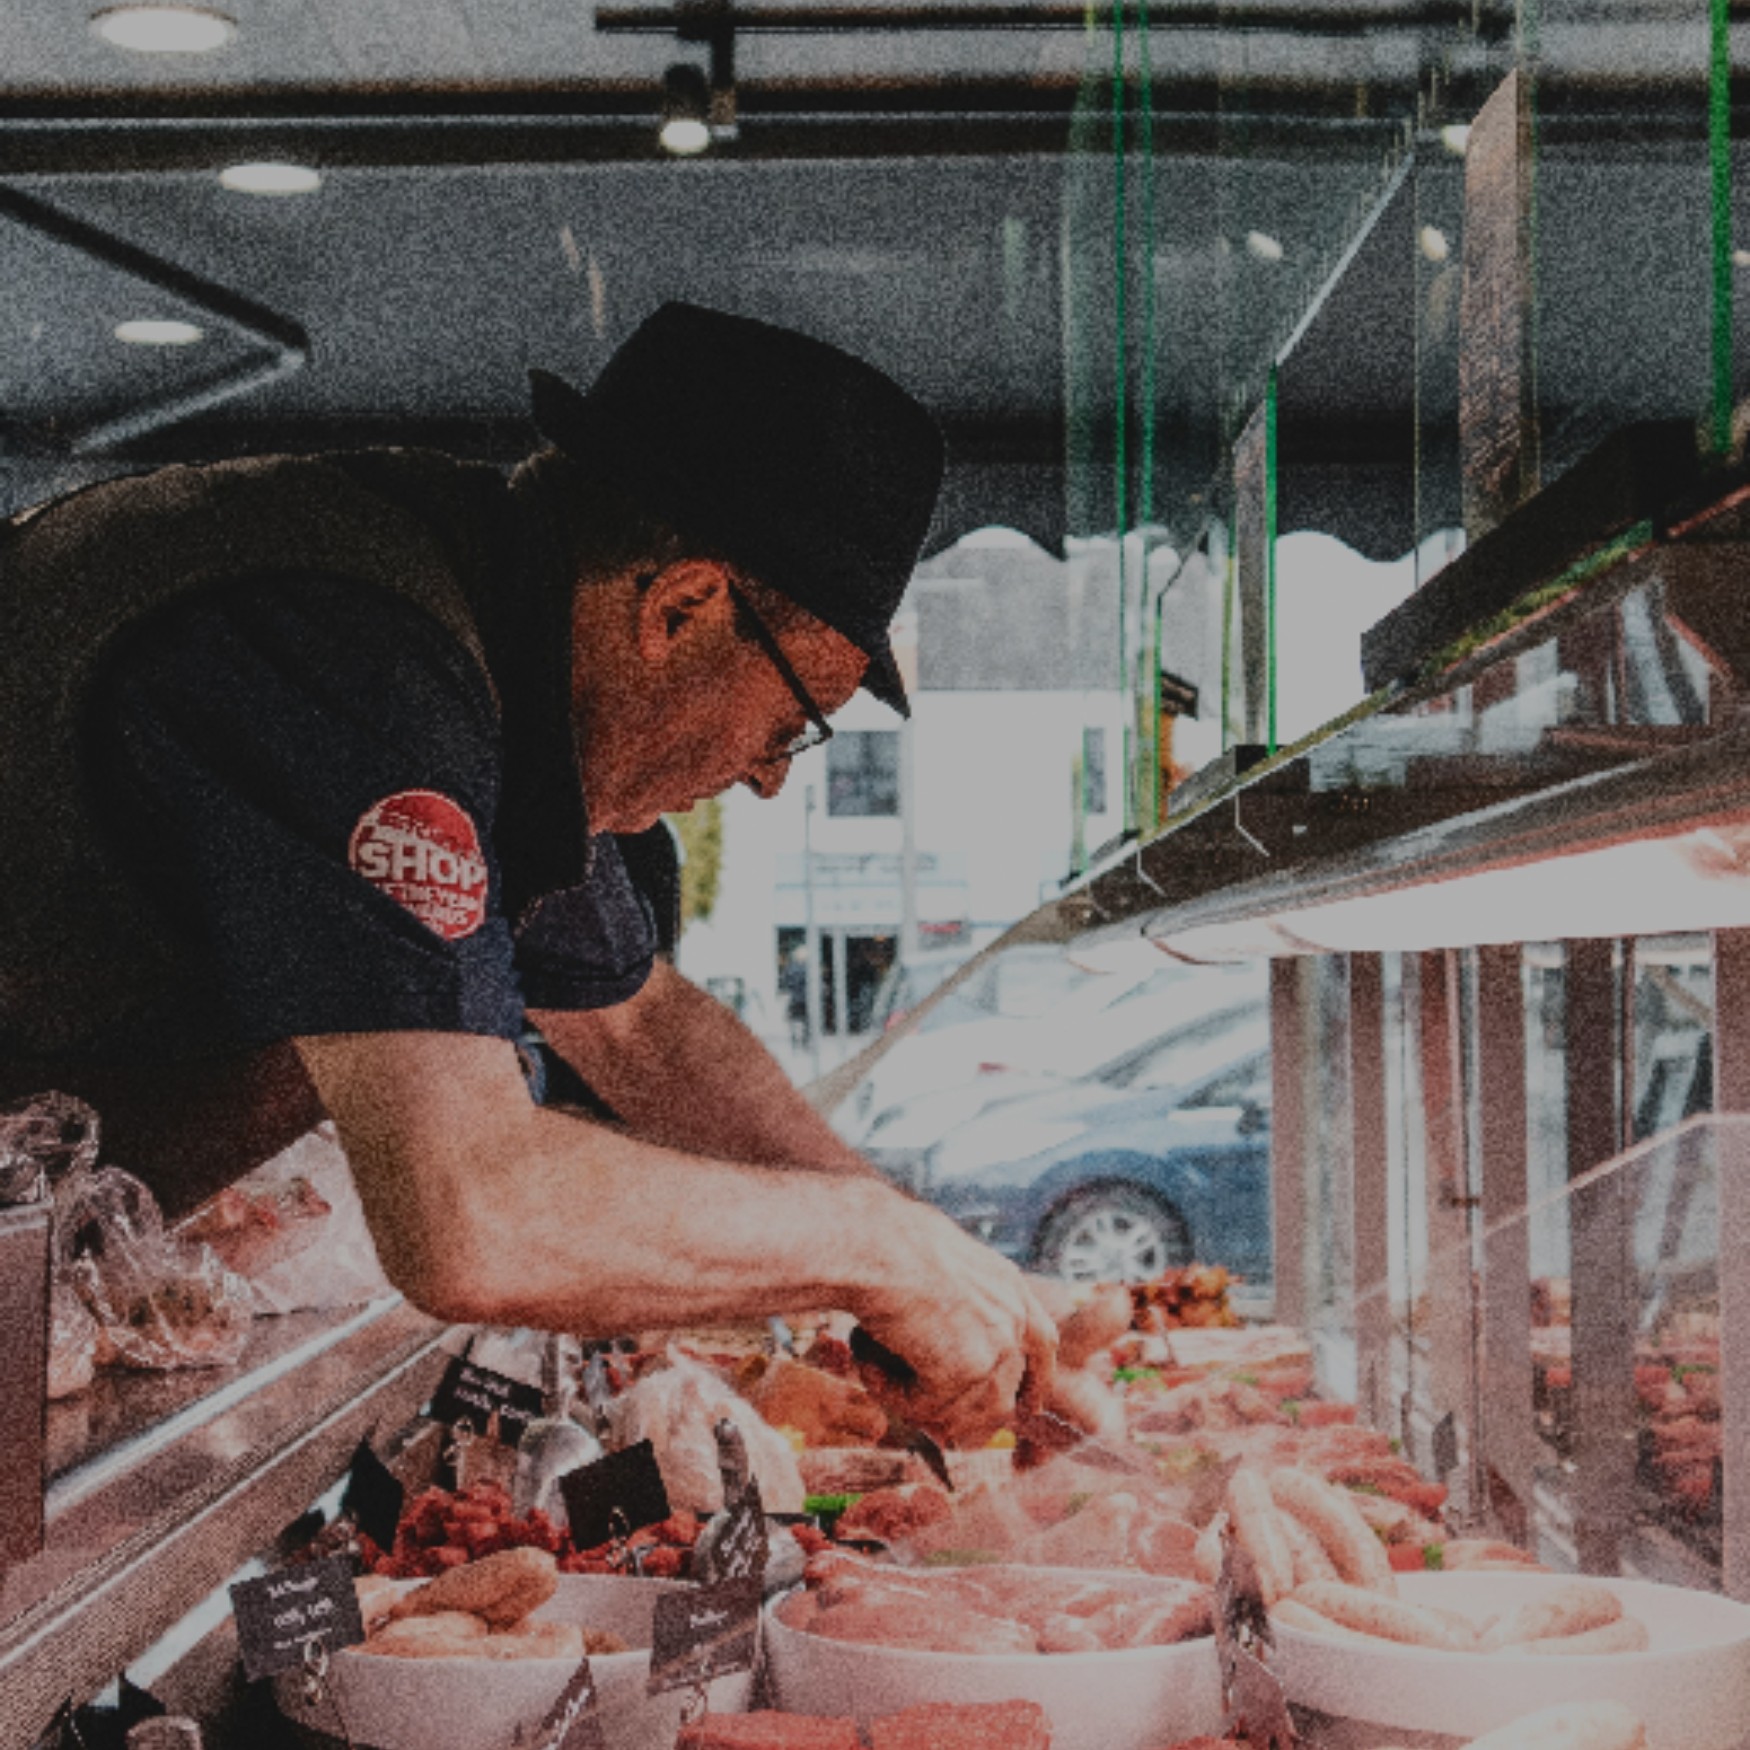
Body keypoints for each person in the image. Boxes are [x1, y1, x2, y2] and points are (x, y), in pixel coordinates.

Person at [0, 302, 1057, 1445]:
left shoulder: (498, 661)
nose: (768, 779)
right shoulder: (357, 659)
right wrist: (874, 1251)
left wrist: (951, 1280)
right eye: (797, 721)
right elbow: (472, 1218)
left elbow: (643, 1026)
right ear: (682, 607)